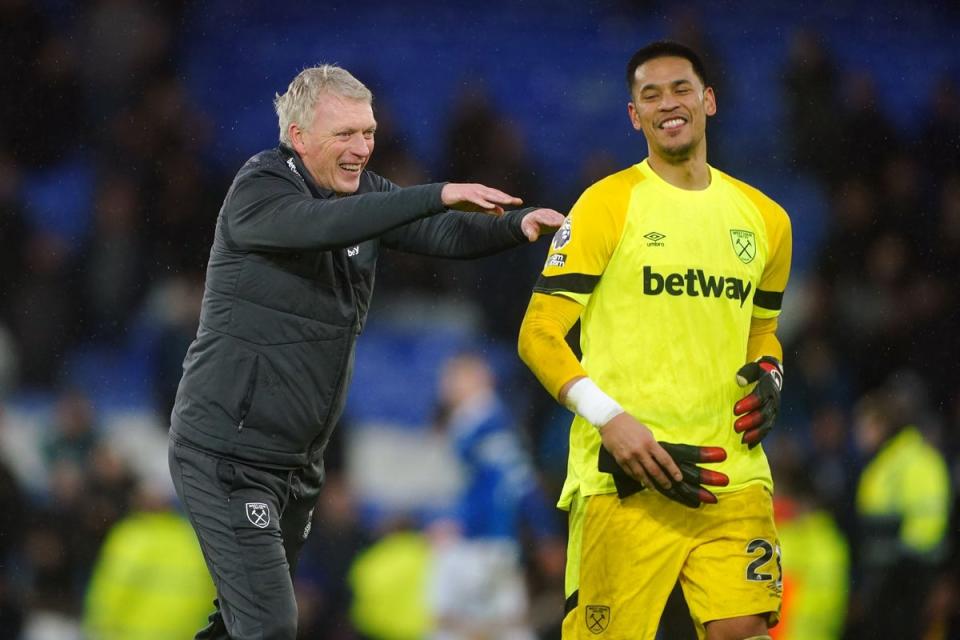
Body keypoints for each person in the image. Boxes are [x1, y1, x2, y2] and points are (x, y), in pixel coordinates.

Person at [167, 64, 564, 640]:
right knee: (271, 625)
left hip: (296, 463)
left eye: (369, 132)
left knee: (239, 625)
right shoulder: (261, 187)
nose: (362, 149)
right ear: (299, 138)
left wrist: (516, 225)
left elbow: (441, 234)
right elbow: (321, 224)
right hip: (230, 453)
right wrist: (435, 193)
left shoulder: (366, 196)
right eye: (345, 134)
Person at [518, 41, 792, 639]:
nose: (668, 103)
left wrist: (771, 373)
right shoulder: (605, 205)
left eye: (681, 89)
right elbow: (537, 334)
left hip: (731, 475)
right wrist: (609, 419)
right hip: (625, 477)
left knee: (742, 631)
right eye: (651, 95)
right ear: (633, 116)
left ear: (708, 100)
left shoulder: (767, 220)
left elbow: (762, 332)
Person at [429, 352, 563, 639]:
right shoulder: (468, 423)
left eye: (456, 376)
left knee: (453, 627)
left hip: (481, 544)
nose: (446, 384)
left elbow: (515, 483)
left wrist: (544, 533)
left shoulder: (489, 424)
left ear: (481, 379)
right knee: (497, 628)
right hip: (481, 541)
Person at [847, 375, 951, 639]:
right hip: (885, 584)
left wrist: (907, 573)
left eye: (865, 424)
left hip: (909, 586)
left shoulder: (914, 461)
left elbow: (928, 523)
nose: (859, 433)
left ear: (883, 424)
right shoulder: (882, 463)